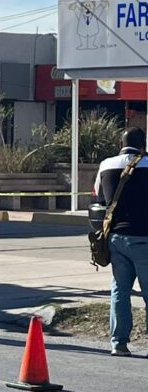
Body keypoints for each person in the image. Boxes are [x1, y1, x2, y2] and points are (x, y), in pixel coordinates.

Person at [93, 126, 148, 356]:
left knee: (119, 291)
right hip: (144, 238)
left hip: (115, 238)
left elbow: (99, 199)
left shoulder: (106, 165)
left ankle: (118, 343)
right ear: (143, 145)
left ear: (120, 144)